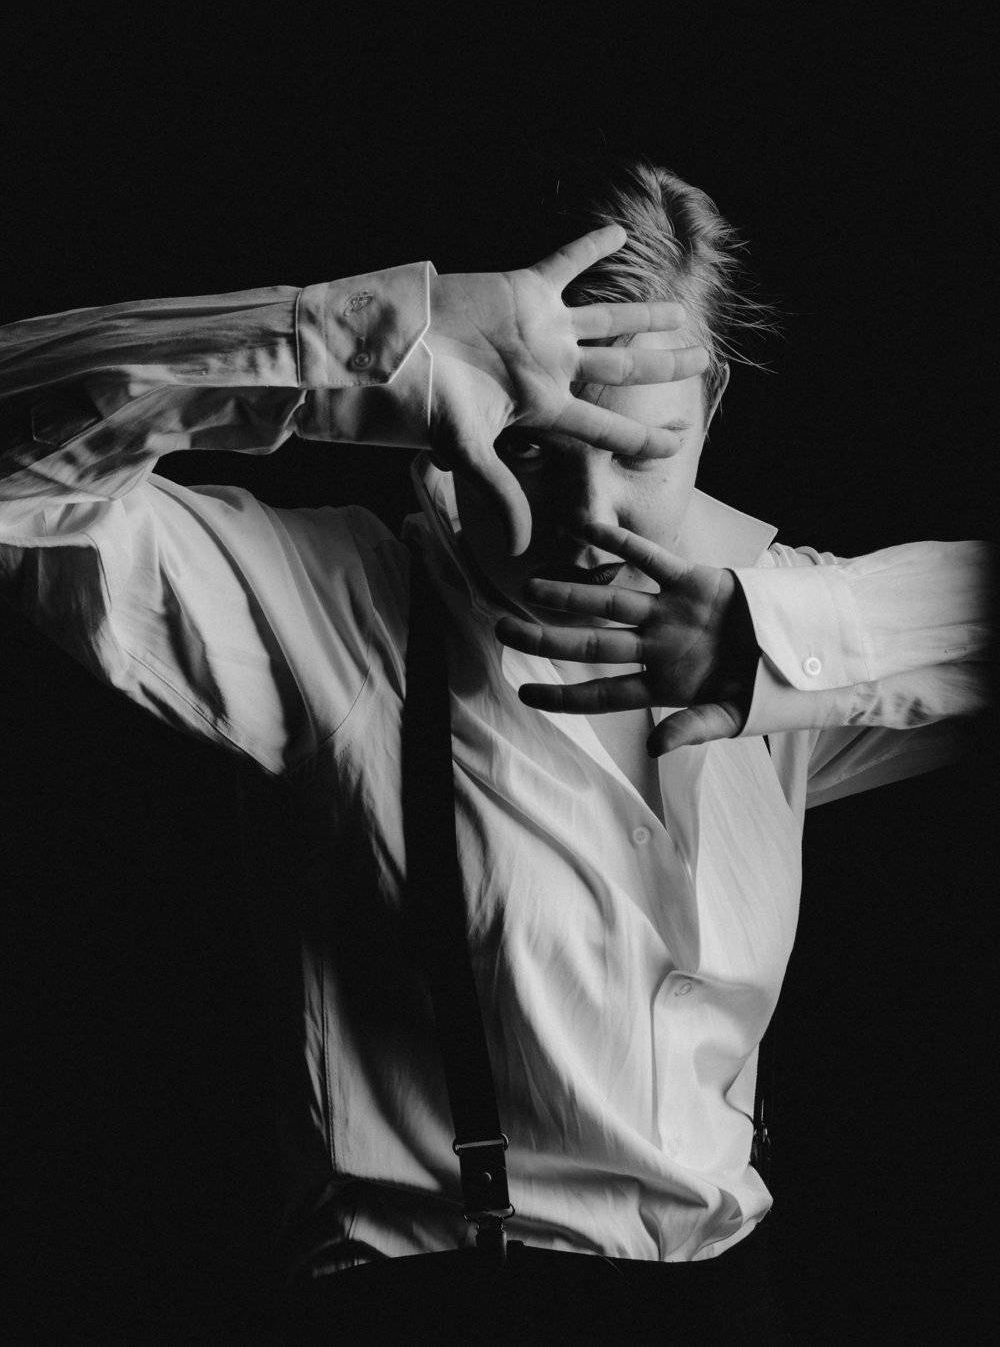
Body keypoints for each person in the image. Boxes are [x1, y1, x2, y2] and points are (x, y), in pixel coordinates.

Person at [1, 160, 989, 1342]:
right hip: (444, 1306)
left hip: (735, 1298)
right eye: (529, 446)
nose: (589, 515)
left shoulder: (781, 631)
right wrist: (350, 341)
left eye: (642, 448)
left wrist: (781, 636)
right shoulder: (328, 612)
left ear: (712, 399)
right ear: (442, 411)